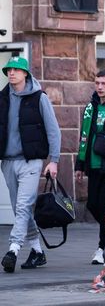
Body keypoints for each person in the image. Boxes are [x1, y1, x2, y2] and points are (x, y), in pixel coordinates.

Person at [0, 56, 61, 273]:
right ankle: (37, 250)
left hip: (31, 162)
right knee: (20, 210)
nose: (11, 73)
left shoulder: (38, 97)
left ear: (25, 73)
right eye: (9, 70)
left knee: (23, 205)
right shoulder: (2, 98)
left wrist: (54, 161)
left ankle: (13, 249)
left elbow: (53, 130)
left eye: (16, 70)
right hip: (8, 162)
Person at [75, 70, 105, 265]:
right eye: (97, 83)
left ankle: (102, 246)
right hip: (93, 164)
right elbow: (84, 137)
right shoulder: (91, 106)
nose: (99, 87)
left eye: (104, 83)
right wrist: (80, 164)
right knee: (92, 205)